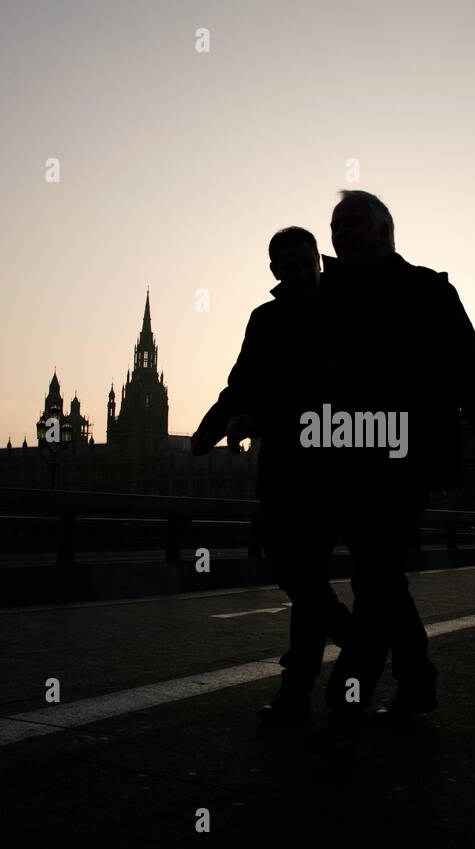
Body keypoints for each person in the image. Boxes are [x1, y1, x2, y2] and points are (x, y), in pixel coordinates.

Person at [309, 189, 475, 759]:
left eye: (350, 222)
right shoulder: (325, 295)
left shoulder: (428, 291)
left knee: (375, 583)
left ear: (384, 230)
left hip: (401, 462)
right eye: (333, 224)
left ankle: (345, 709)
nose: (338, 232)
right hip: (341, 459)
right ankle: (418, 679)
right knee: (380, 579)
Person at [191, 227, 350, 726]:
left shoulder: (340, 312)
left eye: (311, 263)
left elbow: (335, 392)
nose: (304, 272)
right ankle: (352, 644)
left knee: (305, 577)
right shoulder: (265, 318)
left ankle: (296, 692)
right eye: (294, 265)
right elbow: (243, 382)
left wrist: (264, 419)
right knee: (292, 569)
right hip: (281, 465)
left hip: (327, 462)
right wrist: (206, 432)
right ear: (275, 271)